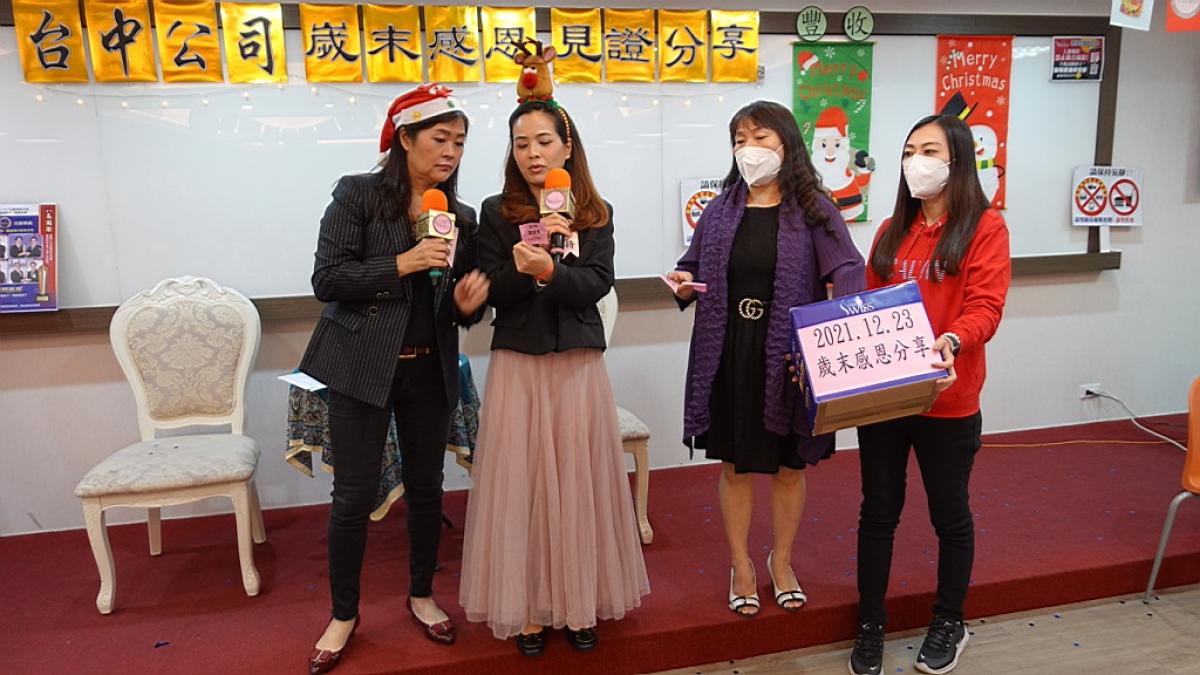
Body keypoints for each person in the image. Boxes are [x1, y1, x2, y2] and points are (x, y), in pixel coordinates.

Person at [459, 41, 649, 657]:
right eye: (521, 144)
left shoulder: (594, 212)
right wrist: (527, 269)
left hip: (576, 362)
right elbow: (495, 290)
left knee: (578, 483)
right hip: (520, 359)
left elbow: (596, 284)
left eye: (543, 141)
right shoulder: (496, 211)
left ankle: (579, 602)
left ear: (567, 147)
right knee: (524, 487)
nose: (533, 153)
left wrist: (552, 269)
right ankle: (530, 608)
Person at [297, 83, 490, 675]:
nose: (451, 152)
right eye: (440, 139)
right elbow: (327, 279)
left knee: (427, 489)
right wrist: (402, 263)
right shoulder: (357, 195)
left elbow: (457, 306)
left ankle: (422, 593)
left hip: (429, 369)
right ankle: (343, 614)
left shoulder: (460, 217)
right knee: (353, 496)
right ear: (405, 139)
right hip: (361, 367)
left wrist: (467, 304)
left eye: (460, 142)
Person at [668, 100, 864, 618]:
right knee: (736, 466)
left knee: (789, 466)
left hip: (790, 356)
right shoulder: (720, 209)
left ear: (786, 144)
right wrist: (684, 281)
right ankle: (741, 564)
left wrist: (838, 316)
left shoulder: (815, 209)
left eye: (760, 138)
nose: (749, 150)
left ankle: (783, 559)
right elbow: (691, 267)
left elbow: (848, 268)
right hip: (729, 350)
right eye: (740, 140)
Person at [847, 112, 1010, 675]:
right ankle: (870, 623)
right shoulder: (891, 229)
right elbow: (867, 310)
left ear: (957, 160)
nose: (916, 161)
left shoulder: (985, 227)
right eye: (909, 150)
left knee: (949, 515)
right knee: (878, 511)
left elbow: (986, 306)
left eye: (930, 151)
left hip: (948, 400)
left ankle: (949, 620)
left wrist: (953, 339)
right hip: (886, 400)